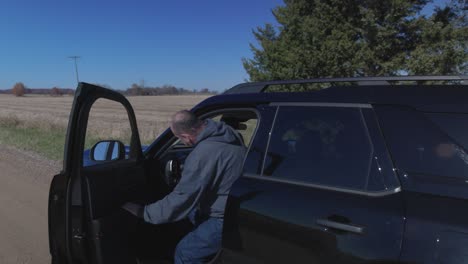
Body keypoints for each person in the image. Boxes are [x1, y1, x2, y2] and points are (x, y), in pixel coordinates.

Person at [122, 110, 246, 263]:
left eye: (180, 139)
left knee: (185, 252)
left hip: (223, 218)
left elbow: (183, 198)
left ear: (186, 136)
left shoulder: (203, 153)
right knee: (187, 216)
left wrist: (145, 213)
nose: (183, 143)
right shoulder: (229, 138)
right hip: (233, 206)